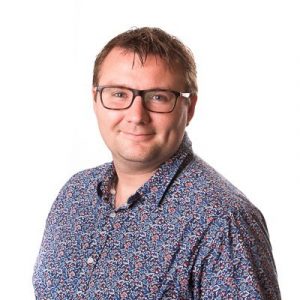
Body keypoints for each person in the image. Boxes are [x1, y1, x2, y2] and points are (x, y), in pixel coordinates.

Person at [33, 27, 281, 299]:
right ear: (96, 100)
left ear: (190, 108)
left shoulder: (224, 222)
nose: (136, 115)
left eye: (158, 97)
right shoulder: (75, 194)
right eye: (119, 94)